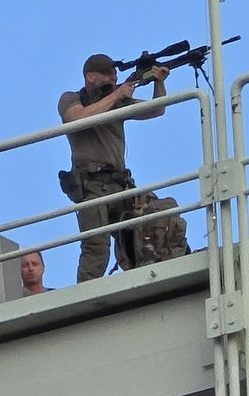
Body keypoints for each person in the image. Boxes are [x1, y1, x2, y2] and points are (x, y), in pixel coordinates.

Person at [58, 53, 170, 282]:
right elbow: (76, 119)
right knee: (96, 246)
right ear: (90, 77)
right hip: (91, 185)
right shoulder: (71, 98)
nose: (113, 79)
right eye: (108, 74)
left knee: (146, 225)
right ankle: (86, 299)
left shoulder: (115, 101)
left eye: (115, 75)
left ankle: (146, 280)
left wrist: (159, 82)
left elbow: (156, 110)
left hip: (120, 184)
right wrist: (117, 94)